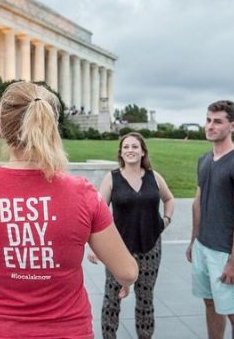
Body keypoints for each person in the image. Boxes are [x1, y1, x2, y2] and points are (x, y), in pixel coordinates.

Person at [0, 81, 137, 339]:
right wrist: (125, 283)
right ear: (51, 127)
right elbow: (127, 270)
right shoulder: (82, 193)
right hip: (68, 331)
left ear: (1, 127)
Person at [90, 132, 175, 339]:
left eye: (135, 146)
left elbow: (169, 199)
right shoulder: (112, 178)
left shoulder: (154, 177)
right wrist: (96, 247)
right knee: (112, 299)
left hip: (150, 247)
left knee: (145, 299)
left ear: (143, 151)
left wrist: (166, 220)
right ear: (121, 152)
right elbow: (97, 213)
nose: (130, 150)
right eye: (126, 147)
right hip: (118, 249)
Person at [186, 99, 234, 339]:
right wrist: (193, 241)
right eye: (208, 120)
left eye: (218, 121)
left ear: (233, 126)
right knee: (210, 304)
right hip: (203, 246)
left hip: (224, 252)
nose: (210, 126)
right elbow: (198, 203)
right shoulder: (204, 160)